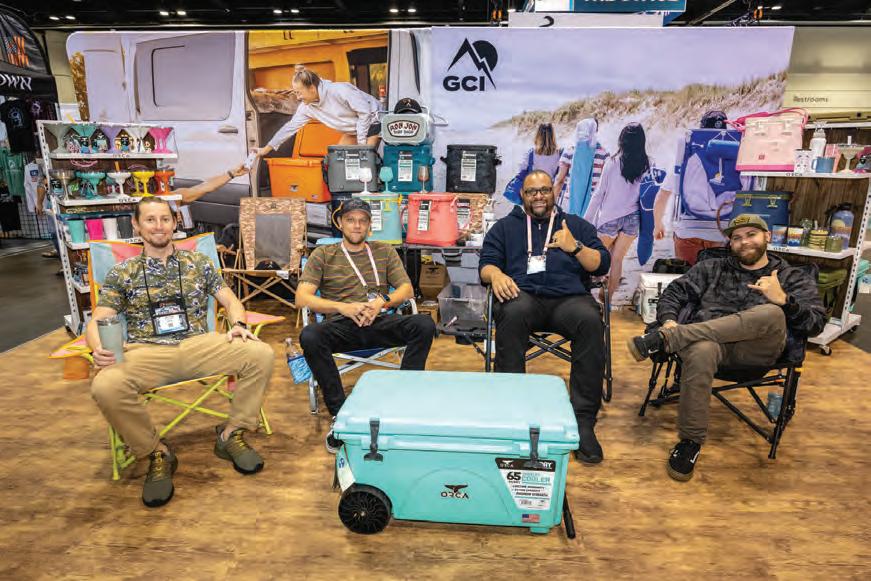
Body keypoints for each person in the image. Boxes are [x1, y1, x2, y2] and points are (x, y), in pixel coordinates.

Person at [87, 197, 275, 508]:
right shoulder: (123, 272)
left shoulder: (198, 263)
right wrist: (97, 348)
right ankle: (156, 452)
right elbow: (98, 319)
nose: (158, 226)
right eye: (150, 220)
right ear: (136, 225)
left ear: (175, 223)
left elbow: (230, 300)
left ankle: (231, 434)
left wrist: (239, 324)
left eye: (165, 219)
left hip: (199, 344)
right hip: (146, 351)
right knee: (105, 385)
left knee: (260, 354)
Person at [628, 214, 826, 482]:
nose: (744, 242)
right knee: (701, 350)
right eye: (737, 238)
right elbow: (674, 293)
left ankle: (668, 339)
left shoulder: (790, 276)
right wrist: (669, 321)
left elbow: (816, 324)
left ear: (767, 236)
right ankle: (690, 442)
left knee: (771, 312)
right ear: (730, 243)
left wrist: (784, 300)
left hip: (757, 353)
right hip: (710, 350)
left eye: (751, 234)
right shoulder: (711, 268)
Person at [480, 170, 611, 464]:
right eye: (532, 191)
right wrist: (496, 275)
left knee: (590, 320)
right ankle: (511, 412)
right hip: (524, 296)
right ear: (522, 195)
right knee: (511, 312)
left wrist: (575, 247)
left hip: (569, 300)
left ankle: (583, 422)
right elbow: (486, 265)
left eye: (545, 190)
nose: (539, 196)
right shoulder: (504, 228)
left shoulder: (576, 225)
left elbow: (602, 264)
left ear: (553, 192)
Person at [296, 198, 437, 453]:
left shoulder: (384, 251)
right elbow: (302, 298)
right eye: (351, 220)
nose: (357, 225)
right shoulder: (323, 255)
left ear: (370, 226)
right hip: (342, 325)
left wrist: (381, 303)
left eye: (363, 221)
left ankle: (405, 400)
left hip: (379, 321)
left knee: (424, 324)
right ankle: (341, 415)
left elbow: (406, 289)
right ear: (340, 223)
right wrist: (342, 307)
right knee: (310, 335)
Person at [652, 111, 750, 265]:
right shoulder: (738, 157)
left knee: (689, 277)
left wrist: (658, 224)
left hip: (688, 230)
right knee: (717, 278)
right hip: (723, 230)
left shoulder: (687, 158)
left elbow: (662, 196)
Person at [250, 65, 382, 160]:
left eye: (299, 92)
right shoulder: (307, 107)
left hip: (373, 122)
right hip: (354, 130)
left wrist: (361, 145)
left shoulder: (340, 90)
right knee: (336, 161)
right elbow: (288, 129)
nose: (297, 97)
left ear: (312, 88)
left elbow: (365, 112)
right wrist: (265, 149)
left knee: (365, 161)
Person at [584, 122, 651, 299]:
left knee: (593, 258)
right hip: (633, 219)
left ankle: (585, 297)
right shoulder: (648, 163)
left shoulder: (612, 162)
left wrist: (586, 221)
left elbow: (598, 194)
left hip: (609, 219)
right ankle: (606, 301)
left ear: (622, 140)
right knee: (617, 260)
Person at [553, 118, 608, 215]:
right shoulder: (604, 153)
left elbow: (560, 180)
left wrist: (551, 203)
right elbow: (605, 183)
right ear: (596, 131)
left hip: (570, 202)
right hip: (593, 205)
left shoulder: (570, 151)